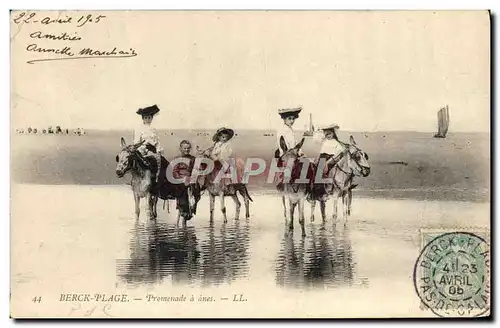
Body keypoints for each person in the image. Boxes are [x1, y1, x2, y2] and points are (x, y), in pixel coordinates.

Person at [134, 104, 164, 184]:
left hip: (153, 149)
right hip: (143, 149)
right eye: (146, 117)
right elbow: (137, 142)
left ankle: (158, 179)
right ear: (143, 118)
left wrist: (159, 150)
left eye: (149, 117)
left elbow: (157, 141)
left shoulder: (153, 129)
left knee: (161, 162)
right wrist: (142, 149)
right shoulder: (139, 129)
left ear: (151, 118)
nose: (147, 119)